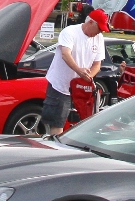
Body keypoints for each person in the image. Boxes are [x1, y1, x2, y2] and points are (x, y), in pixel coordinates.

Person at [42, 9, 108, 137]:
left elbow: (97, 64)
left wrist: (88, 77)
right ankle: (55, 146)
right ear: (90, 22)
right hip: (61, 86)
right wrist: (79, 70)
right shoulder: (70, 32)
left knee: (84, 121)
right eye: (99, 28)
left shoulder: (99, 38)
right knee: (58, 122)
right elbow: (65, 54)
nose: (100, 32)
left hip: (81, 88)